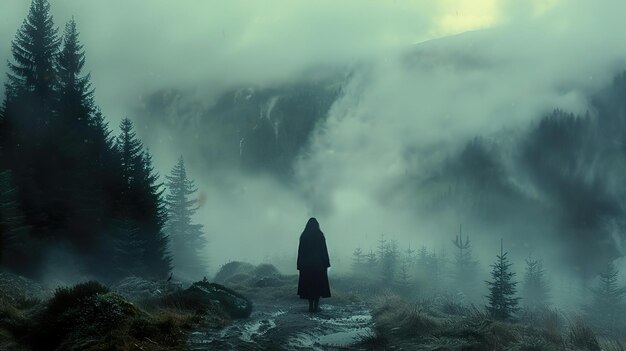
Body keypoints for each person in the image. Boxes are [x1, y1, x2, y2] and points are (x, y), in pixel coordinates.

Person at [297, 217, 331, 312]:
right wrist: (326, 263)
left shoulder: (304, 236)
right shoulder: (320, 236)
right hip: (318, 266)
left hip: (307, 266)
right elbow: (324, 251)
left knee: (309, 286)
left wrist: (299, 265)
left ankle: (310, 306)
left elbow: (300, 252)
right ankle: (315, 306)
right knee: (317, 286)